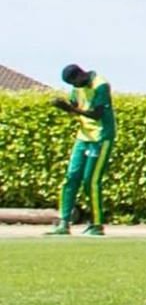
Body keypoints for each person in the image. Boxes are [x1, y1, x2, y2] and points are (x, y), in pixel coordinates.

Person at [50, 64, 116, 236]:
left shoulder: (100, 84)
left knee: (90, 181)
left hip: (101, 137)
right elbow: (75, 107)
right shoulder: (77, 88)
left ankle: (97, 224)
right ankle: (64, 222)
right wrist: (65, 107)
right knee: (71, 177)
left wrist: (71, 109)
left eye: (75, 83)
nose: (75, 87)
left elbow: (96, 114)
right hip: (83, 137)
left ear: (80, 74)